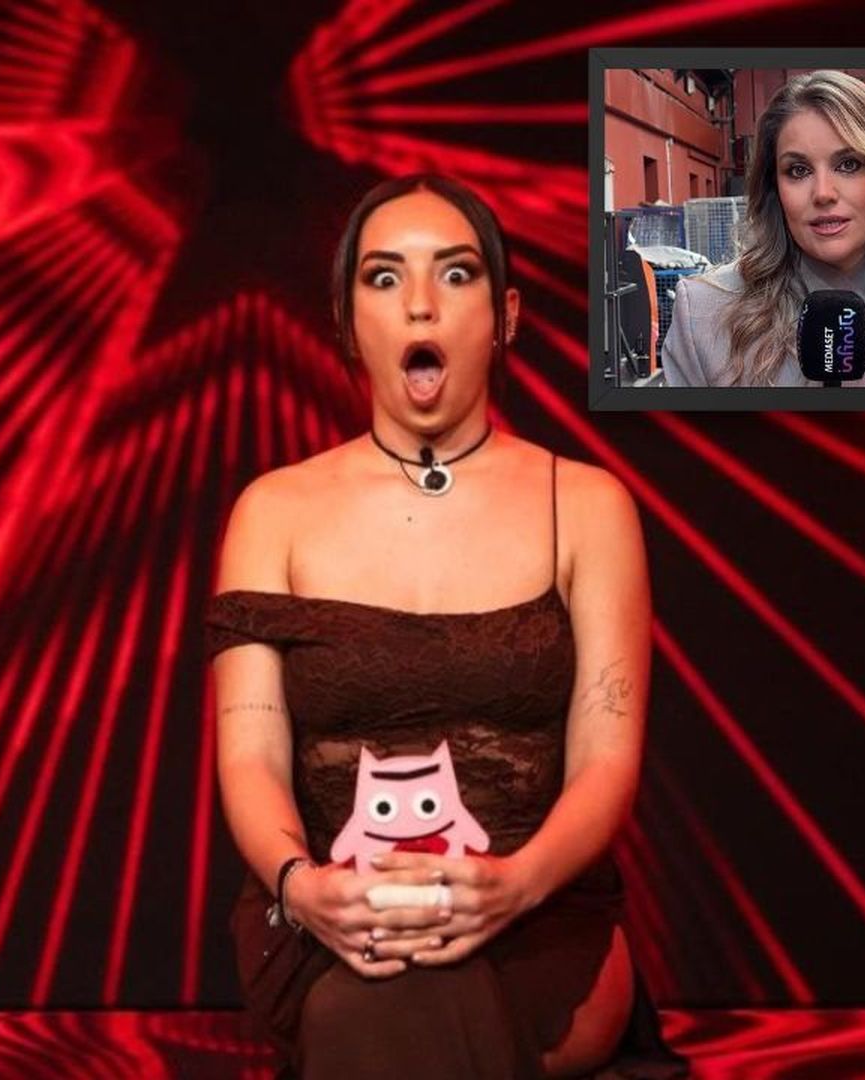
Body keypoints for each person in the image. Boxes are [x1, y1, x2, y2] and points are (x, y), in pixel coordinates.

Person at [207, 174, 686, 1078]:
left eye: (456, 274)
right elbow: (250, 757)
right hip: (327, 923)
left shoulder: (588, 506)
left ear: (506, 317)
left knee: (394, 1012)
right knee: (371, 999)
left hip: (541, 919)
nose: (420, 303)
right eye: (384, 278)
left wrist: (512, 888)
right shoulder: (272, 513)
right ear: (347, 322)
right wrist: (302, 888)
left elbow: (606, 761)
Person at [661, 71, 865, 386]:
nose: (823, 193)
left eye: (848, 164)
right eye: (798, 170)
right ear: (774, 187)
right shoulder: (702, 314)